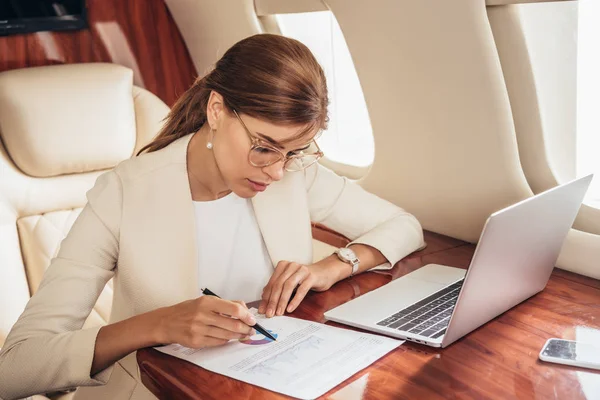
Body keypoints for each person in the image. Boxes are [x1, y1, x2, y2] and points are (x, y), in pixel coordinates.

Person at [0, 33, 425, 400]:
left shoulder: (294, 172)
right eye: (263, 147)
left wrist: (332, 267)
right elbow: (16, 366)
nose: (277, 171)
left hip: (270, 382)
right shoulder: (124, 191)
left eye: (294, 152)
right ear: (217, 111)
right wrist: (159, 324)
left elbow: (404, 226)